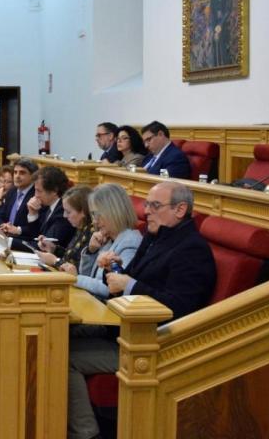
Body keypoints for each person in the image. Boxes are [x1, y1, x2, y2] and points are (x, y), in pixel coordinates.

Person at [66, 181, 216, 439]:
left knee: (64, 354)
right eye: (147, 204)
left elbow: (178, 307)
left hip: (153, 344)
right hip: (124, 329)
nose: (146, 211)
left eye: (155, 206)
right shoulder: (154, 237)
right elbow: (131, 281)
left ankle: (86, 434)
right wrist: (115, 270)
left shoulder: (191, 249)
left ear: (180, 209)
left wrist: (130, 284)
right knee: (58, 332)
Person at [62, 184, 141, 300]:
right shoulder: (108, 238)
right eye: (93, 215)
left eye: (97, 214)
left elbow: (110, 288)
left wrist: (75, 278)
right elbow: (88, 276)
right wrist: (91, 251)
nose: (94, 221)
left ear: (113, 212)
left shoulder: (130, 242)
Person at [14, 166, 75, 251]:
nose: (35, 195)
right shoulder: (45, 206)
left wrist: (10, 242)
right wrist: (33, 214)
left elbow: (43, 246)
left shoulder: (63, 212)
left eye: (39, 191)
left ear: (54, 191)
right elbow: (34, 237)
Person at [35, 185, 94, 269]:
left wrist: (55, 261)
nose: (64, 216)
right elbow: (71, 256)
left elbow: (79, 269)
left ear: (83, 212)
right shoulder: (80, 227)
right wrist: (54, 249)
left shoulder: (92, 234)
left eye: (68, 212)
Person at [0, 158, 38, 230]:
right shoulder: (12, 191)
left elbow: (34, 229)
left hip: (21, 239)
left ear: (32, 176)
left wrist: (16, 230)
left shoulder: (36, 195)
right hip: (5, 235)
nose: (17, 176)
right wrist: (3, 225)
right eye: (15, 172)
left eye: (22, 173)